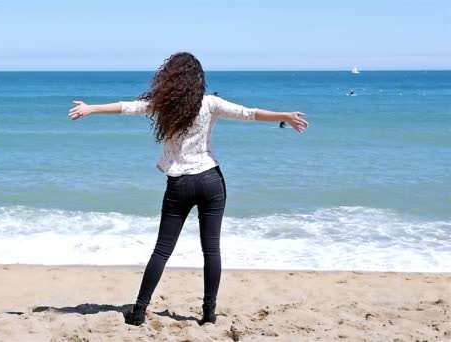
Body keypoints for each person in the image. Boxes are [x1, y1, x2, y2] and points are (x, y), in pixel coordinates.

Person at [68, 52, 308, 326]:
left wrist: (92, 108)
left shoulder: (163, 105)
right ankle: (209, 314)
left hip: (179, 184)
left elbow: (128, 107)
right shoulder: (210, 104)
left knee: (162, 250)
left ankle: (139, 311)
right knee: (211, 250)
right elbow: (249, 114)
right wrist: (284, 116)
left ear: (169, 79)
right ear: (199, 81)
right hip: (211, 181)